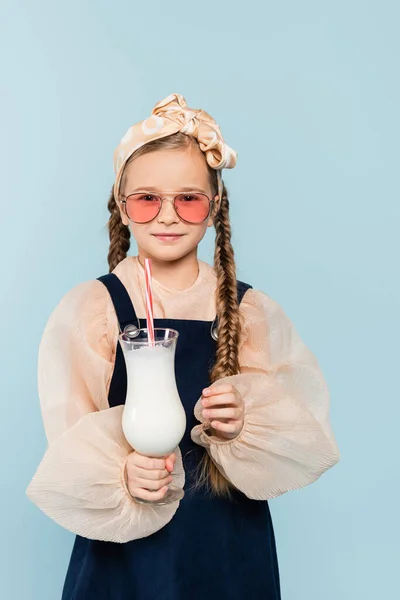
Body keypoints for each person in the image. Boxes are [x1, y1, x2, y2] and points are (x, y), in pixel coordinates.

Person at [27, 92, 340, 600]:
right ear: (123, 208)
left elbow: (298, 427)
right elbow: (71, 442)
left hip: (227, 543)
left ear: (214, 209)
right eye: (147, 198)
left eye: (188, 198)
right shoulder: (94, 308)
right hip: (128, 552)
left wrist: (244, 422)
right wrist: (121, 470)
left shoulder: (248, 311)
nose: (167, 215)